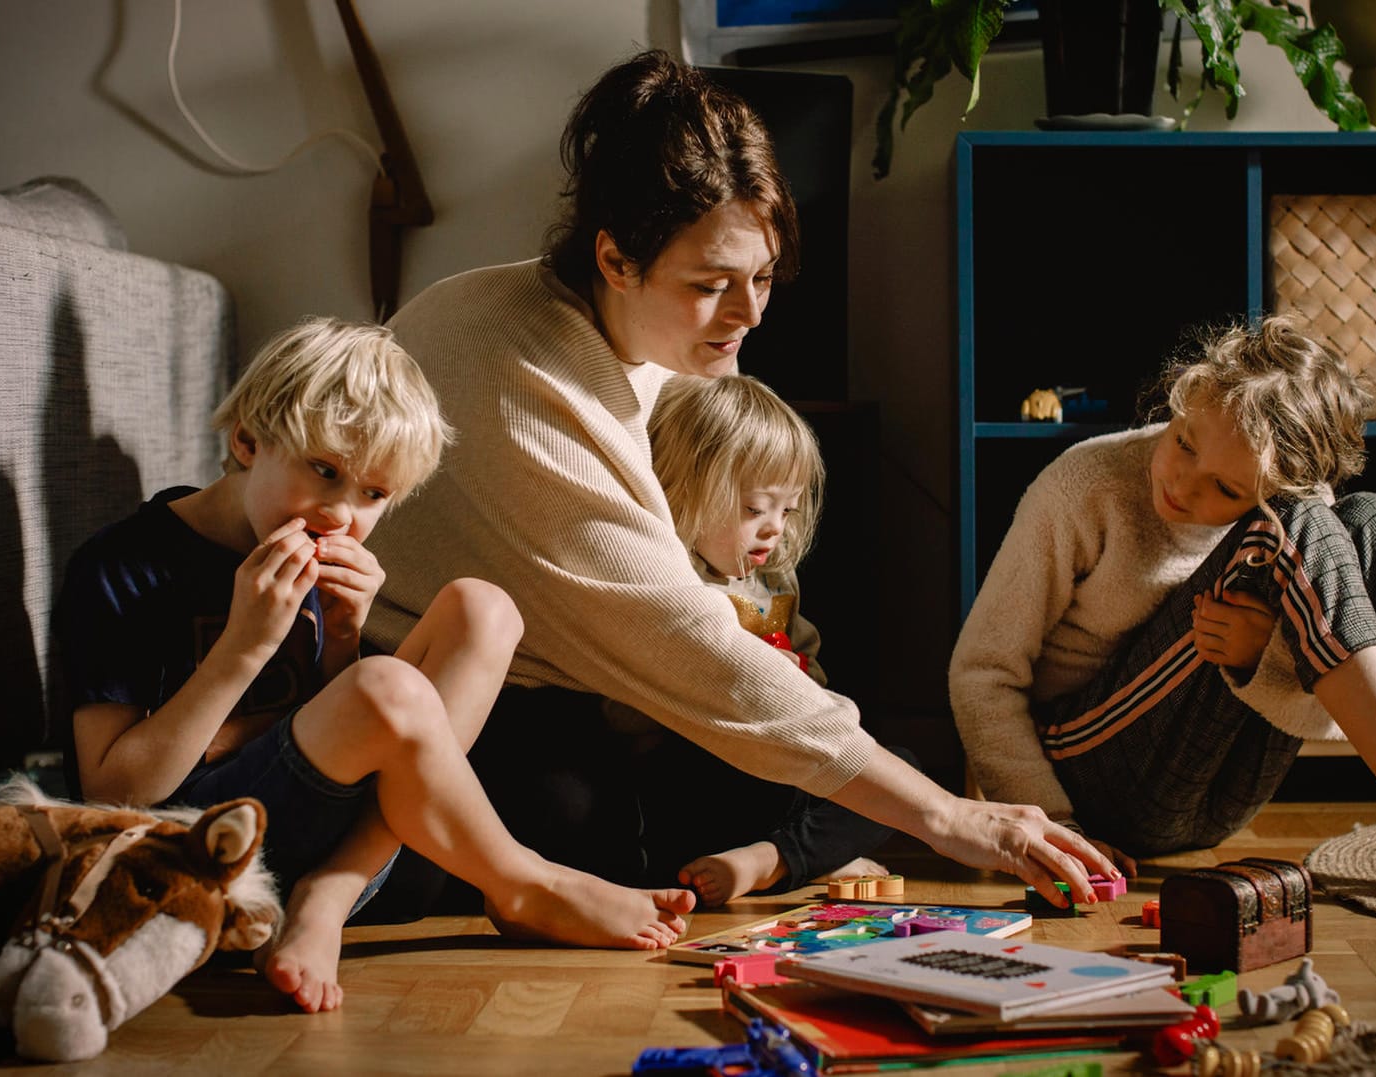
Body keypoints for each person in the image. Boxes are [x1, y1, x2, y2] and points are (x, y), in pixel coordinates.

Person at [363, 49, 1117, 908]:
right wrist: (948, 817)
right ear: (614, 259)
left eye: (760, 277)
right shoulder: (521, 374)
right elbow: (682, 639)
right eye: (711, 284)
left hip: (588, 693)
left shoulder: (636, 342)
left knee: (833, 767)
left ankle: (765, 849)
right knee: (588, 818)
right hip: (445, 698)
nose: (751, 311)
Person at [55, 316, 695, 1015]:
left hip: (360, 851)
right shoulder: (124, 566)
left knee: (483, 608)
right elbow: (114, 792)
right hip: (216, 853)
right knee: (387, 684)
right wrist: (243, 648)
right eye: (323, 471)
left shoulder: (319, 547)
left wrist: (343, 637)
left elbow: (333, 729)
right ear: (246, 441)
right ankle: (518, 880)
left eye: (373, 495)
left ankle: (328, 896)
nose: (340, 514)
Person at [950, 314, 1376, 924]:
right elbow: (981, 674)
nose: (1184, 485)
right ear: (1179, 400)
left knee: (1367, 516)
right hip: (1086, 781)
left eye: (1226, 487)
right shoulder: (1082, 487)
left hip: (1221, 796)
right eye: (1184, 442)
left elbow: (1338, 709)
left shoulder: (1299, 508)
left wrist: (1260, 657)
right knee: (1297, 527)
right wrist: (1055, 825)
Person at [629, 372, 904, 904]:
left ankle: (772, 861)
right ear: (686, 489)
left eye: (787, 510)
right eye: (755, 509)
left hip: (779, 765)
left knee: (899, 766)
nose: (774, 527)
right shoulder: (668, 574)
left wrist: (814, 697)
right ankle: (804, 857)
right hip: (694, 776)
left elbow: (810, 667)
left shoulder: (774, 578)